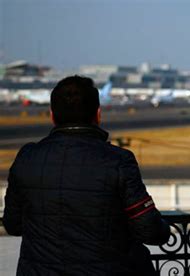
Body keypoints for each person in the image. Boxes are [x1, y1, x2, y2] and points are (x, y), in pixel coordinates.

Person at [3, 76, 170, 275]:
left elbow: (12, 224)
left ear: (52, 116)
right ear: (98, 114)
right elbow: (150, 230)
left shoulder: (27, 158)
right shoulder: (118, 161)